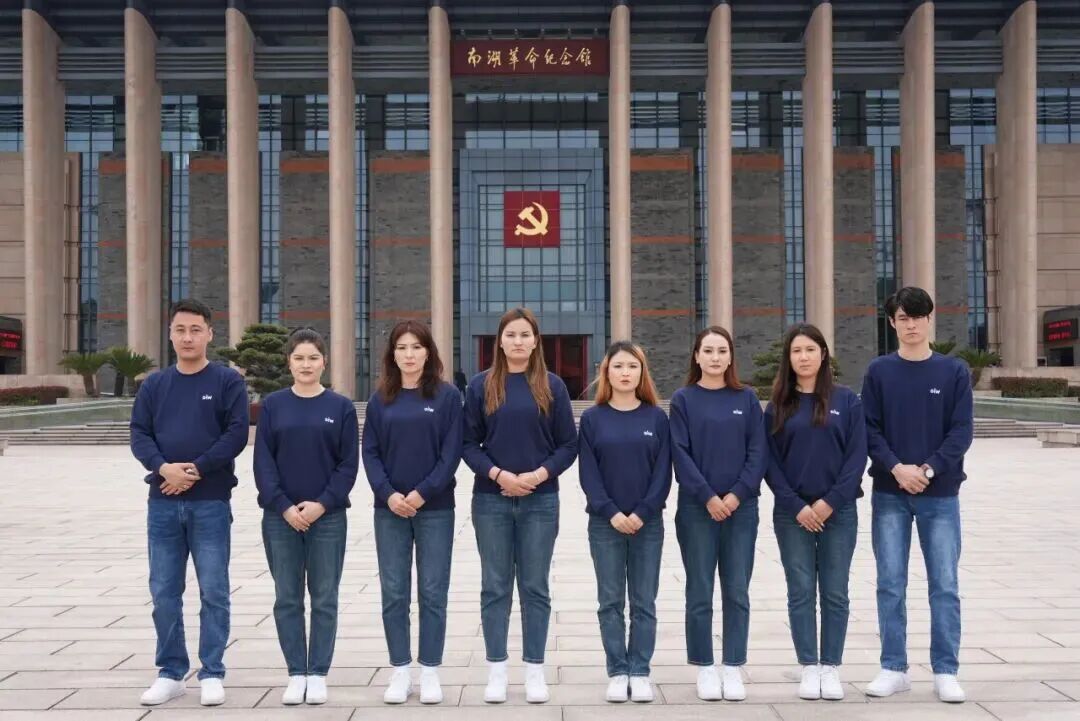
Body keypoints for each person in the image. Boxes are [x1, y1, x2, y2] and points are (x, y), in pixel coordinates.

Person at [130, 299, 249, 707]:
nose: (187, 337)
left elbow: (236, 434)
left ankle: (212, 671)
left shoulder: (227, 381)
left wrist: (195, 469)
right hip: (162, 504)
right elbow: (139, 434)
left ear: (210, 334)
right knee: (164, 591)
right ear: (170, 334)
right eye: (180, 330)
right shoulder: (155, 385)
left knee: (214, 590)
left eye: (196, 330)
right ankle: (171, 672)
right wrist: (165, 468)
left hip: (210, 502)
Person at [861, 287, 973, 704]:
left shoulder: (953, 371)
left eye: (917, 317)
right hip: (889, 493)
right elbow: (869, 429)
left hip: (939, 493)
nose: (910, 325)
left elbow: (961, 431)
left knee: (944, 584)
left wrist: (926, 470)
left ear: (929, 319)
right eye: (902, 318)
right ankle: (894, 667)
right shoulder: (879, 371)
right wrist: (897, 468)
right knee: (890, 583)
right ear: (892, 323)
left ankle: (946, 670)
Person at [463, 307, 578, 704]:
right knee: (495, 587)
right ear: (499, 341)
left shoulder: (552, 385)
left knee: (535, 587)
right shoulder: (480, 386)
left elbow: (568, 444)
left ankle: (534, 669)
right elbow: (467, 444)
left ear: (535, 341)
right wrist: (499, 475)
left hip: (540, 502)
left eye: (525, 335)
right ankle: (496, 669)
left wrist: (538, 475)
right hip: (491, 501)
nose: (517, 341)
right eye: (510, 335)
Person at [253, 328, 358, 706]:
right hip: (280, 518)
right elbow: (263, 463)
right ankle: (296, 672)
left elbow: (348, 465)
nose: (306, 364)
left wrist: (321, 504)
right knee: (287, 597)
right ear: (289, 362)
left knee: (325, 597)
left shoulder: (341, 407)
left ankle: (318, 673)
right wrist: (283, 505)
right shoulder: (274, 405)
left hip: (327, 518)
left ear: (324, 362)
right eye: (299, 358)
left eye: (313, 358)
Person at [763, 324, 866, 701]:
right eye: (796, 351)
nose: (803, 357)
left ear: (823, 354)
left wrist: (828, 502)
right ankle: (809, 665)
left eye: (810, 349)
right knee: (801, 590)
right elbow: (769, 463)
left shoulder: (847, 401)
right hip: (793, 515)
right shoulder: (778, 405)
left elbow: (856, 457)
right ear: (788, 359)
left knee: (835, 591)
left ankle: (831, 666)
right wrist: (798, 506)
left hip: (838, 511)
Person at [362, 320, 463, 705]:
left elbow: (450, 454)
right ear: (392, 354)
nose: (409, 354)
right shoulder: (380, 399)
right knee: (394, 592)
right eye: (402, 347)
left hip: (435, 509)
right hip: (389, 511)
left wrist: (421, 493)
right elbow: (370, 453)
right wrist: (389, 494)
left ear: (428, 352)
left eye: (416, 347)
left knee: (433, 591)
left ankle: (430, 670)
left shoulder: (447, 397)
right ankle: (401, 670)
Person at [669, 326, 766, 702]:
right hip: (697, 509)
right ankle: (705, 666)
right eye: (707, 350)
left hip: (742, 509)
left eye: (721, 350)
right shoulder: (684, 399)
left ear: (730, 357)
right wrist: (709, 497)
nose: (714, 357)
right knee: (699, 590)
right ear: (696, 356)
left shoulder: (746, 398)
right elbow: (680, 454)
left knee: (737, 589)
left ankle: (733, 665)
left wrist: (736, 495)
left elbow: (758, 452)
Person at [578, 341, 671, 704]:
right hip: (605, 524)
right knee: (610, 601)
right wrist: (612, 512)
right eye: (618, 366)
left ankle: (640, 670)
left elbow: (663, 473)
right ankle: (618, 670)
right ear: (607, 372)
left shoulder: (656, 418)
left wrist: (643, 512)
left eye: (632, 366)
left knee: (644, 601)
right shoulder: (593, 419)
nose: (625, 373)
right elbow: (589, 474)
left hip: (648, 525)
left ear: (642, 372)